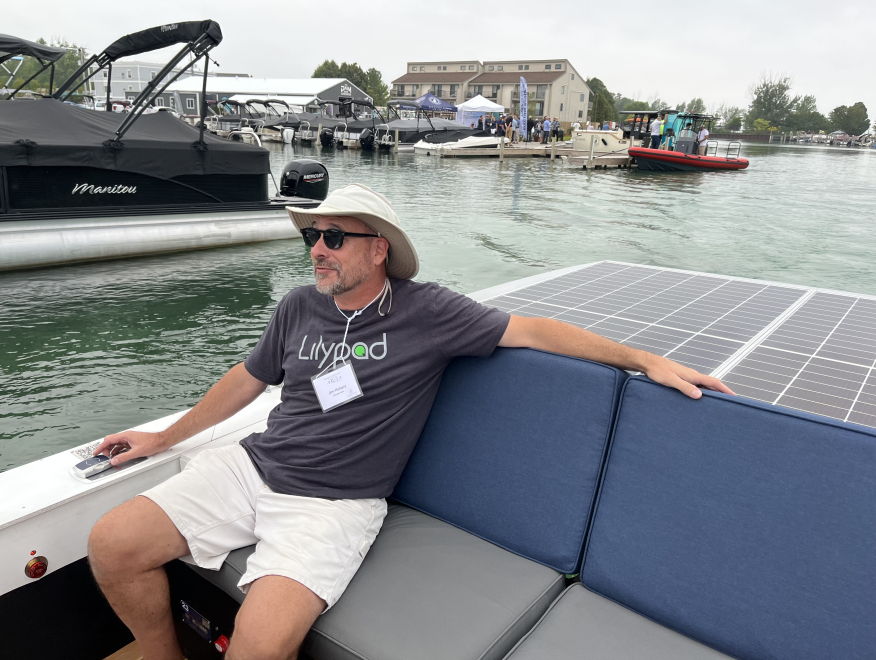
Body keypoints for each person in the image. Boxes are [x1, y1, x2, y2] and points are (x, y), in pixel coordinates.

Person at [86, 183, 732, 660]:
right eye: (313, 235)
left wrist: (644, 358)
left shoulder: (430, 313)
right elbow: (247, 379)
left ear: (379, 249)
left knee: (258, 647)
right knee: (113, 543)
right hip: (253, 466)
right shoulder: (298, 308)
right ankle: (160, 653)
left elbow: (535, 329)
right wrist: (164, 438)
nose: (317, 249)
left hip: (334, 505)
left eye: (334, 237)